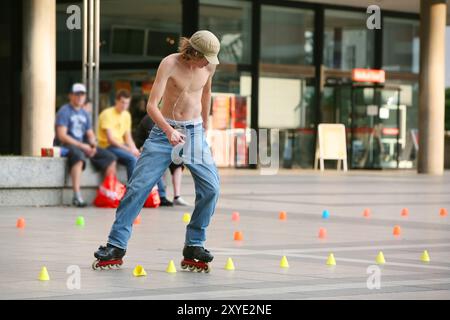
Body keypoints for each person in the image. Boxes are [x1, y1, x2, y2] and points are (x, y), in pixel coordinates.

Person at [93, 30, 221, 271]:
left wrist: (205, 125)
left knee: (211, 188)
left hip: (194, 132)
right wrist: (169, 131)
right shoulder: (170, 64)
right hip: (164, 133)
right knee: (138, 187)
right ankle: (116, 245)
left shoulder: (208, 67)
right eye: (206, 58)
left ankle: (194, 244)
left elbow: (206, 93)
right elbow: (152, 106)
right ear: (194, 52)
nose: (209, 63)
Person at [97, 89, 173, 206]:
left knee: (147, 158)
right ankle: (133, 193)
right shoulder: (107, 114)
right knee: (132, 159)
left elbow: (127, 137)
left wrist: (134, 149)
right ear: (116, 101)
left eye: (127, 103)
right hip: (107, 147)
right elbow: (111, 140)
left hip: (121, 147)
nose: (124, 105)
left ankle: (161, 195)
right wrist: (129, 150)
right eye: (122, 102)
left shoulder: (126, 115)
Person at [55, 83, 118, 207]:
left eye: (82, 94)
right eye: (77, 94)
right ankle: (76, 196)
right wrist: (83, 146)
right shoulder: (65, 110)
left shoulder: (85, 114)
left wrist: (93, 145)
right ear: (70, 96)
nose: (79, 97)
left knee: (111, 158)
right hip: (66, 144)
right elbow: (62, 136)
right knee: (78, 156)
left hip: (82, 145)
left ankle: (109, 193)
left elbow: (90, 134)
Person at [134, 114, 190, 206]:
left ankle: (177, 196)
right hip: (143, 147)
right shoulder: (150, 119)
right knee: (159, 160)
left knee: (178, 162)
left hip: (161, 147)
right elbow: (152, 140)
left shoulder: (168, 120)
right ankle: (162, 195)